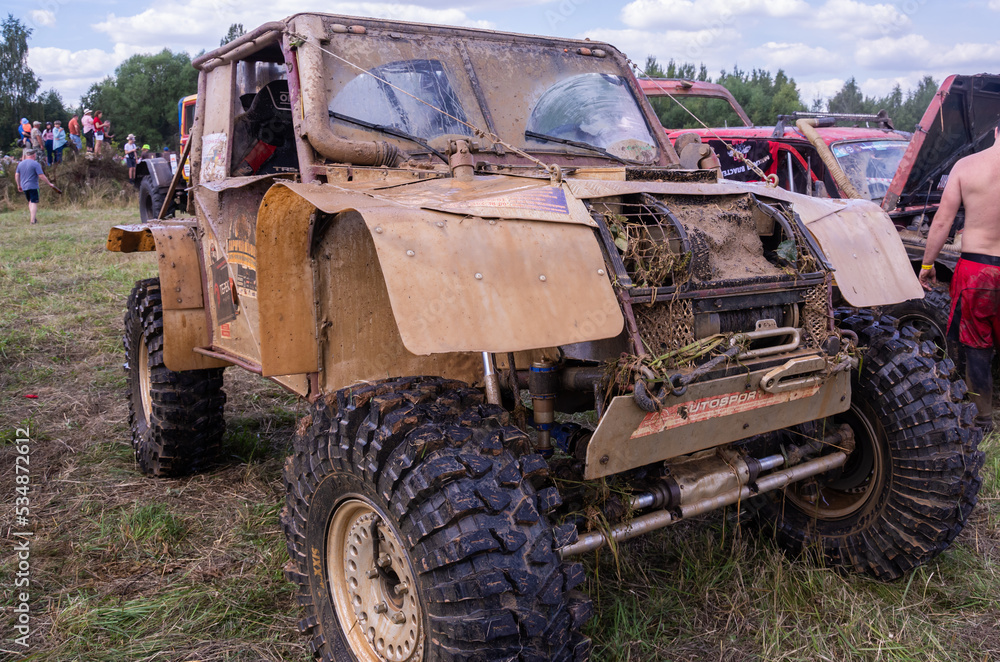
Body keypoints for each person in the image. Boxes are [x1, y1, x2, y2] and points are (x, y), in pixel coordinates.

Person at [920, 119, 1000, 432]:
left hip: (976, 272)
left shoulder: (966, 167)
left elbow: (941, 223)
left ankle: (983, 421)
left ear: (995, 131)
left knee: (978, 350)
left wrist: (927, 265)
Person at [14, 149, 57, 225]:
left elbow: (17, 175)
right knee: (33, 202)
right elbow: (41, 175)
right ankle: (32, 221)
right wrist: (49, 183)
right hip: (33, 186)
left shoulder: (20, 164)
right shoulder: (35, 164)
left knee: (30, 201)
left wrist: (18, 184)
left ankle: (33, 218)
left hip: (24, 186)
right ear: (34, 155)